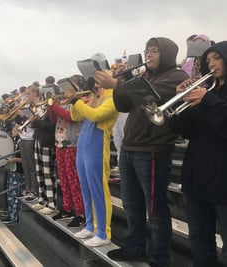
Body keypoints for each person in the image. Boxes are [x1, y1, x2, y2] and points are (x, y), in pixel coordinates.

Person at [95, 37, 189, 266]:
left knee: (155, 210)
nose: (148, 55)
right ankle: (135, 248)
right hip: (130, 148)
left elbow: (151, 93)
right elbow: (124, 105)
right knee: (131, 204)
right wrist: (122, 80)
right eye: (147, 51)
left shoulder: (176, 76)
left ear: (166, 54)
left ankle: (159, 259)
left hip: (154, 150)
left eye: (154, 51)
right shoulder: (145, 77)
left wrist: (118, 83)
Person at [170, 41, 227, 267]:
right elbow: (188, 131)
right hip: (199, 176)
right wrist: (180, 103)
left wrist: (207, 99)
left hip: (223, 180)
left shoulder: (208, 95)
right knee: (199, 239)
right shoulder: (208, 90)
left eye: (217, 57)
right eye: (208, 60)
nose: (211, 63)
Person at [70, 53, 119, 247]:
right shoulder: (94, 98)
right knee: (85, 187)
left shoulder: (113, 98)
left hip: (98, 145)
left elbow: (96, 115)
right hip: (83, 144)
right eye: (95, 82)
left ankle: (104, 232)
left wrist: (77, 102)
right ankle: (90, 225)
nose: (95, 85)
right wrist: (75, 101)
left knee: (99, 189)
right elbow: (75, 116)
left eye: (99, 82)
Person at [48, 75, 85, 227]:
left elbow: (71, 117)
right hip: (60, 143)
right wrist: (51, 106)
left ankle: (81, 213)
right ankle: (67, 208)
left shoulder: (80, 100)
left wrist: (55, 106)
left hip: (72, 144)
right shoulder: (63, 101)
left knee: (73, 180)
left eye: (69, 87)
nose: (65, 91)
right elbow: (52, 119)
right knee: (63, 178)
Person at [28, 82, 57, 215]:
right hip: (38, 140)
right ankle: (42, 198)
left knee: (47, 172)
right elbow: (39, 125)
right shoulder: (41, 108)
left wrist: (37, 122)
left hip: (47, 142)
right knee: (39, 171)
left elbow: (52, 126)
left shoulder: (51, 108)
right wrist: (33, 122)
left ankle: (51, 203)